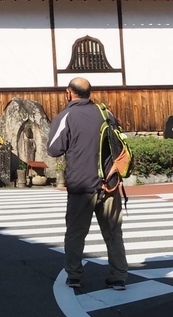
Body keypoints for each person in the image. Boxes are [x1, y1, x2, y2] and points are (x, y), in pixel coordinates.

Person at [46, 76, 128, 291]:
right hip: (109, 183)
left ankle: (74, 275)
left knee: (75, 232)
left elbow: (54, 149)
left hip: (81, 186)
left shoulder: (67, 116)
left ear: (69, 92)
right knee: (113, 232)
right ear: (89, 92)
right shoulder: (105, 113)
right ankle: (118, 276)